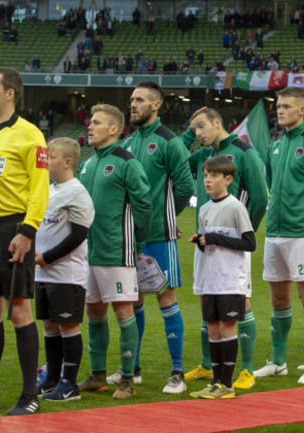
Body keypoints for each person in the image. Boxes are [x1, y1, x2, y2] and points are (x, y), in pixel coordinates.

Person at [0, 67, 49, 415]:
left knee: (19, 310)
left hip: (13, 229)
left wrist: (27, 231)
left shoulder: (30, 135)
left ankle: (30, 395)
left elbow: (39, 188)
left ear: (9, 93)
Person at [109, 82, 194, 394]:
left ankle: (177, 372)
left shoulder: (170, 142)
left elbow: (185, 186)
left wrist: (166, 216)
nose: (133, 104)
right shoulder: (128, 142)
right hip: (130, 238)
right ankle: (133, 369)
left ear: (156, 105)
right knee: (133, 301)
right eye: (132, 99)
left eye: (140, 100)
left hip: (159, 236)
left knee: (166, 299)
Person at [254, 87, 304, 384]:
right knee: (278, 300)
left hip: (303, 234)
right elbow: (271, 185)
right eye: (278, 105)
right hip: (274, 234)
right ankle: (278, 362)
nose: (280, 110)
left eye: (287, 106)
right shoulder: (274, 146)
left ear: (302, 110)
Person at [184, 107, 268, 390]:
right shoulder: (203, 155)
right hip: (206, 245)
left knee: (239, 305)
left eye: (201, 127)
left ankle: (245, 369)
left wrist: (241, 237)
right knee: (206, 304)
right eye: (193, 129)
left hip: (232, 247)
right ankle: (209, 367)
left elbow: (258, 198)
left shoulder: (245, 152)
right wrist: (187, 133)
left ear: (217, 123)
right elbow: (175, 160)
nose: (197, 133)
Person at [77, 104, 152, 400]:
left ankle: (128, 378)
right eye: (89, 121)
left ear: (113, 129)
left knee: (123, 311)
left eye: (95, 122)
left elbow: (144, 207)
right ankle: (97, 375)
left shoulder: (126, 162)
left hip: (117, 251)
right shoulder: (88, 163)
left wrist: (136, 242)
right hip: (89, 251)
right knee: (93, 311)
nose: (89, 126)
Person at [188, 156, 256, 399]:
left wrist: (215, 238)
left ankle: (226, 384)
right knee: (213, 328)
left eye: (214, 176)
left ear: (228, 179)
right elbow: (209, 247)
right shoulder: (204, 209)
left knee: (227, 327)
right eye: (205, 175)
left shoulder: (236, 207)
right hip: (211, 279)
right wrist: (200, 242)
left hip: (230, 279)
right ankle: (216, 382)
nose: (208, 180)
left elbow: (250, 243)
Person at [34, 138, 94, 402]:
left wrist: (47, 257)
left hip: (66, 273)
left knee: (68, 325)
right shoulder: (51, 189)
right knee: (49, 325)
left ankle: (70, 385)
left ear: (68, 162)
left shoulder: (77, 191)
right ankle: (52, 379)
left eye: (52, 156)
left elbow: (79, 234)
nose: (46, 160)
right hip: (43, 272)